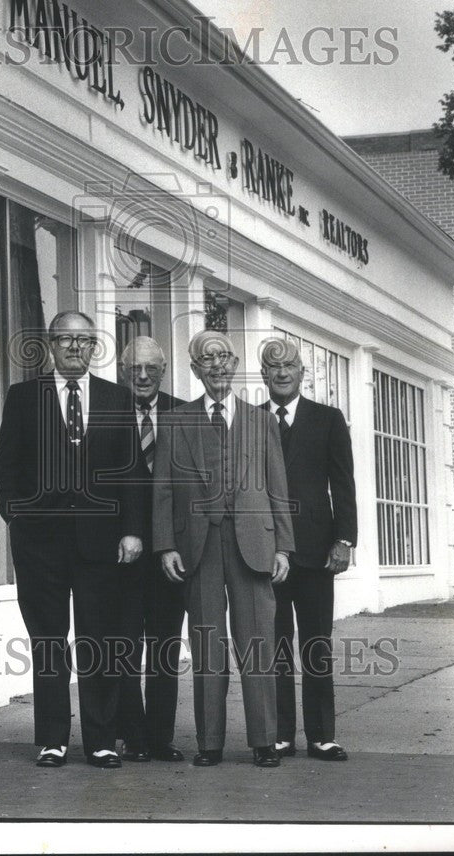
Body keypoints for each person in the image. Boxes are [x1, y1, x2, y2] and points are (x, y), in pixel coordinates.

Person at [0, 311, 145, 769]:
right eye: (66, 340)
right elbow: (6, 470)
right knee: (48, 641)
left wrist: (133, 530)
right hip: (40, 546)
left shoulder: (116, 399)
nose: (75, 348)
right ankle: (53, 739)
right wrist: (19, 518)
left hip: (101, 544)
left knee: (98, 639)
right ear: (51, 345)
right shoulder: (24, 397)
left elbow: (133, 472)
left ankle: (99, 740)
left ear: (94, 346)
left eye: (84, 340)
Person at [152, 329, 294, 768]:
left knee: (257, 642)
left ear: (234, 366)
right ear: (195, 370)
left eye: (223, 358)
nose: (216, 365)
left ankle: (264, 740)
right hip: (200, 546)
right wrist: (165, 546)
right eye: (206, 359)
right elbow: (162, 489)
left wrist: (285, 547)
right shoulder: (176, 421)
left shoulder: (261, 420)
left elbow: (278, 487)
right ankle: (209, 742)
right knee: (207, 642)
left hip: (255, 543)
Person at [259, 337, 358, 762]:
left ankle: (321, 735)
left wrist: (345, 539)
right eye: (272, 366)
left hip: (318, 551)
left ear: (302, 372)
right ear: (263, 374)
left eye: (289, 365)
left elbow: (344, 483)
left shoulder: (328, 419)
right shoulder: (250, 420)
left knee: (316, 643)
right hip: (266, 553)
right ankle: (281, 734)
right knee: (275, 645)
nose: (281, 372)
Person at [117, 336, 186, 763]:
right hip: (121, 554)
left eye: (150, 369)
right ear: (124, 371)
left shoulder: (184, 414)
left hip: (170, 555)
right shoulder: (105, 412)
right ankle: (132, 736)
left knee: (165, 646)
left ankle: (161, 738)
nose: (142, 376)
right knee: (125, 646)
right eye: (134, 369)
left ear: (162, 370)